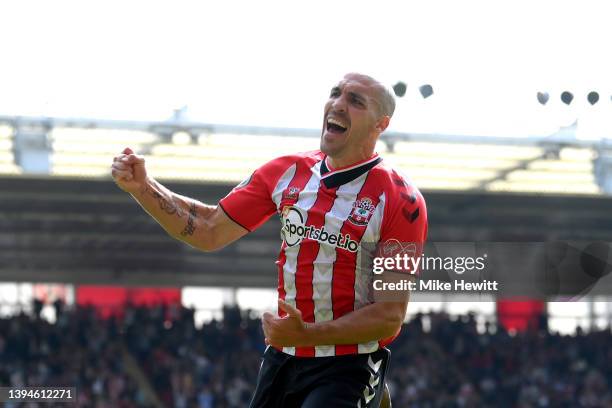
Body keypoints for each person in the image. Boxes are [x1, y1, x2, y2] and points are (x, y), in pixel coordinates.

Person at [111, 72, 428, 407]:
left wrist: (308, 334)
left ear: (381, 124)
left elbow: (390, 314)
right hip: (284, 358)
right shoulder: (285, 172)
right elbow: (209, 229)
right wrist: (143, 188)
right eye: (336, 93)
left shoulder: (402, 201)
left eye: (355, 100)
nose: (338, 104)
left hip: (350, 363)